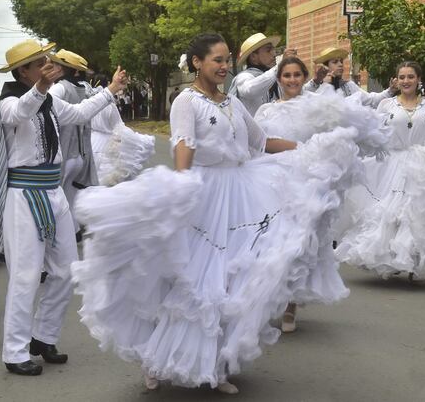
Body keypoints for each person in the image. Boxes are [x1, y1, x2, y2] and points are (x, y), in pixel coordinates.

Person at [72, 33, 365, 394]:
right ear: (198, 63)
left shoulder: (232, 103)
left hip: (240, 192)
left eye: (228, 60)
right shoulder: (186, 102)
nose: (225, 66)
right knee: (187, 279)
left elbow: (261, 142)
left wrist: (311, 148)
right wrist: (179, 191)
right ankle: (157, 358)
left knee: (228, 280)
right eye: (218, 60)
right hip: (203, 194)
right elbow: (184, 146)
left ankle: (217, 365)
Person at [0, 40, 128, 375]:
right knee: (25, 276)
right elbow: (22, 111)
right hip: (24, 196)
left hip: (53, 193)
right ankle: (14, 352)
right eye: (41, 63)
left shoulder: (50, 100)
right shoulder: (7, 104)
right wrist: (41, 87)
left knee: (67, 269)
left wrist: (110, 89)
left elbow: (79, 114)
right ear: (24, 71)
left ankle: (43, 336)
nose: (49, 65)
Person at [254, 57, 388, 332]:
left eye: (296, 75)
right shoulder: (265, 111)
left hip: (307, 183)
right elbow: (256, 143)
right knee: (271, 243)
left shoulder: (315, 106)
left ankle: (291, 305)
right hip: (271, 181)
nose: (292, 80)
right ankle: (269, 299)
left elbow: (337, 137)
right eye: (287, 75)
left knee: (300, 243)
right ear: (279, 79)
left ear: (304, 77)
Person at [334, 62, 425, 281]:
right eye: (401, 77)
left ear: (418, 79)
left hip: (421, 165)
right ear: (396, 80)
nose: (405, 81)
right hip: (390, 165)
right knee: (390, 213)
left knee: (416, 213)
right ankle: (389, 258)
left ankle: (412, 260)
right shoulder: (386, 105)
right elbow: (374, 132)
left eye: (410, 77)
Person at [47, 49, 97, 234]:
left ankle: (62, 232)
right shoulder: (84, 89)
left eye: (57, 64)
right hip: (80, 153)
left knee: (58, 196)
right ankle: (74, 230)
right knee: (71, 195)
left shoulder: (60, 88)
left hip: (65, 152)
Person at [85, 76, 156, 187]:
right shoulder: (108, 105)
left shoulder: (88, 103)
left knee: (92, 180)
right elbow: (119, 127)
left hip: (91, 143)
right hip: (107, 144)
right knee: (107, 182)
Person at [305, 47, 395, 107]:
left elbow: (371, 100)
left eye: (341, 61)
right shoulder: (314, 87)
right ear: (325, 66)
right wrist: (323, 84)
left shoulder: (349, 86)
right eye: (335, 62)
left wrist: (391, 91)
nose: (340, 64)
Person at [227, 32, 283, 116]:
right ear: (253, 57)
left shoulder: (272, 76)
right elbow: (250, 90)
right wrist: (279, 68)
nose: (274, 54)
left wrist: (310, 84)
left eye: (273, 50)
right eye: (268, 50)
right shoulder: (243, 77)